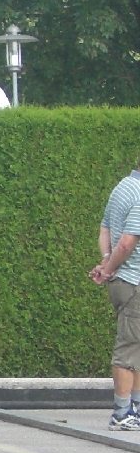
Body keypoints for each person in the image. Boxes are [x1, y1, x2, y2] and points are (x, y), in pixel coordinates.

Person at [89, 155, 140, 430]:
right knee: (128, 348)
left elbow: (105, 227)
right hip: (134, 281)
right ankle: (121, 414)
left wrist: (106, 262)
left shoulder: (123, 187)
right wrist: (108, 268)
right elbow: (127, 243)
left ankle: (135, 409)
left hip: (122, 281)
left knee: (137, 346)